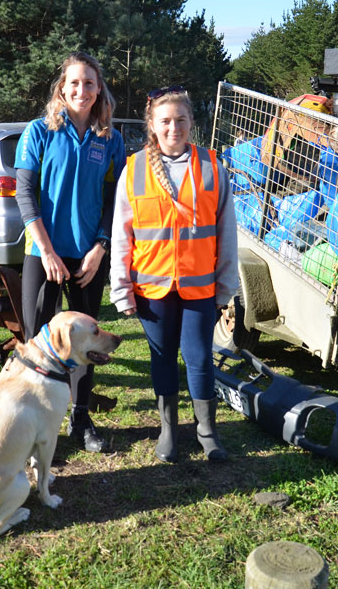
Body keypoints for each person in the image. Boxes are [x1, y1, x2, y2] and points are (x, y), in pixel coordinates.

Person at [110, 86, 239, 462]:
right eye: (165, 121)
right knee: (162, 357)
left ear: (191, 123)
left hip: (200, 287)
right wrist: (121, 288)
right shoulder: (134, 169)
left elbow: (227, 232)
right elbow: (123, 234)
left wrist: (225, 286)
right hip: (152, 287)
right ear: (152, 124)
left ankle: (207, 431)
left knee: (199, 358)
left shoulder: (213, 167)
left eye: (181, 120)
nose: (173, 128)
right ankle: (169, 430)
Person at [14, 52, 126, 453]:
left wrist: (100, 248)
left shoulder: (110, 139)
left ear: (99, 90)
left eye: (90, 83)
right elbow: (24, 194)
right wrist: (46, 251)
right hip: (43, 255)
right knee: (37, 344)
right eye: (74, 83)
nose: (82, 90)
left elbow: (114, 202)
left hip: (87, 257)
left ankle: (80, 421)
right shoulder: (40, 131)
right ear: (62, 87)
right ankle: (35, 425)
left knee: (87, 346)